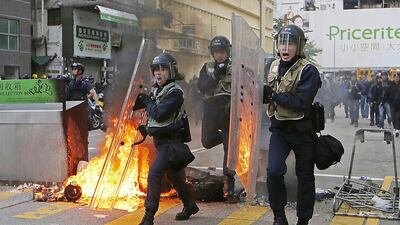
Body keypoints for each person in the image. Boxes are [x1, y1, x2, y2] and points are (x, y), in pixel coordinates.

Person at [263, 24, 321, 225]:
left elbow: (301, 103)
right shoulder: (272, 66)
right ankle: (279, 216)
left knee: (305, 176)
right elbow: (267, 94)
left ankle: (303, 220)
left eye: (291, 44)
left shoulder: (309, 71)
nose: (285, 48)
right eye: (282, 43)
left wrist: (274, 95)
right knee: (273, 171)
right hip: (279, 129)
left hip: (302, 130)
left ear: (299, 46)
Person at [138, 52, 199, 225]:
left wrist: (146, 100)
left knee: (155, 174)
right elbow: (153, 116)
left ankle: (148, 216)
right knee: (174, 176)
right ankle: (190, 205)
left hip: (170, 142)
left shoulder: (175, 93)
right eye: (156, 69)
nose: (158, 73)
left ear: (171, 71)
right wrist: (144, 127)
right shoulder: (158, 89)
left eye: (163, 69)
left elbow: (158, 112)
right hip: (162, 141)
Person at [197, 36, 238, 203]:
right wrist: (216, 76)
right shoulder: (207, 68)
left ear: (227, 51)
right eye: (216, 52)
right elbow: (202, 86)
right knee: (206, 141)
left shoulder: (236, 66)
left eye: (221, 51)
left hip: (229, 110)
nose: (219, 55)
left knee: (229, 152)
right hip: (212, 110)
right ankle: (225, 138)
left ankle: (230, 187)